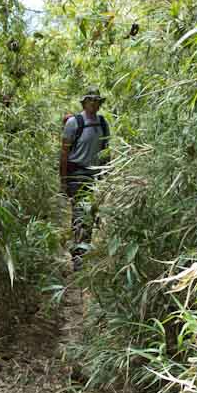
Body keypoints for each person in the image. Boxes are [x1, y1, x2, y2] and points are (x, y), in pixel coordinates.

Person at [60, 85, 111, 271]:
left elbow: (106, 150)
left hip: (94, 176)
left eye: (97, 101)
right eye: (91, 100)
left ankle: (83, 252)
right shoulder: (74, 123)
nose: (95, 104)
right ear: (85, 102)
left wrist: (107, 173)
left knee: (90, 215)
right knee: (81, 214)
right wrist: (63, 179)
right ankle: (78, 258)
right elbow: (64, 153)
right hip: (77, 175)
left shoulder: (103, 123)